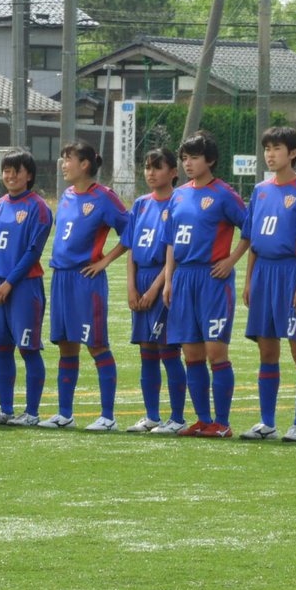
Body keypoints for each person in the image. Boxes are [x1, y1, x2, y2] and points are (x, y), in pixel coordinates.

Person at [162, 130, 249, 438]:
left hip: (212, 279)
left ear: (210, 160)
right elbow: (171, 241)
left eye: (194, 158)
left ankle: (222, 424)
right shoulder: (179, 194)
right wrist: (169, 279)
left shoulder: (224, 194)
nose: (188, 163)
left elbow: (248, 229)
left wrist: (231, 260)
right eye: (184, 158)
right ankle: (202, 420)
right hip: (183, 279)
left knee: (216, 353)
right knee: (192, 355)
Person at [39, 140, 129, 431]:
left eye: (68, 159)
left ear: (85, 164)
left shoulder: (104, 197)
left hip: (86, 280)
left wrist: (104, 261)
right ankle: (64, 414)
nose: (64, 164)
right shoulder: (65, 195)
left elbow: (130, 232)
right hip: (61, 278)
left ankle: (108, 417)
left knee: (96, 345)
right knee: (66, 346)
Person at [239, 126, 296, 443]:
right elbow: (252, 241)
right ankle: (267, 422)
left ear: (293, 153)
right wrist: (248, 281)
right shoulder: (259, 190)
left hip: (290, 273)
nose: (270, 155)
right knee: (267, 351)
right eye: (267, 148)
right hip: (263, 274)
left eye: (277, 148)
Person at [0, 149, 53, 427]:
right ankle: (5, 410)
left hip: (23, 287)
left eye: (16, 171)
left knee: (28, 348)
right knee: (2, 348)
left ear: (28, 175)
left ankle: (31, 413)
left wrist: (8, 283)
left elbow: (33, 252)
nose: (10, 176)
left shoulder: (38, 207)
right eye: (6, 170)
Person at [122, 148, 187, 435]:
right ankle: (151, 416)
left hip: (164, 281)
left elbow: (174, 252)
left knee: (168, 350)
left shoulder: (179, 203)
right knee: (146, 351)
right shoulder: (140, 204)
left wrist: (153, 289)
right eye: (147, 167)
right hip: (142, 278)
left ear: (173, 172)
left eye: (157, 167)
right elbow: (132, 248)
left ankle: (177, 417)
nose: (150, 172)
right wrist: (131, 286)